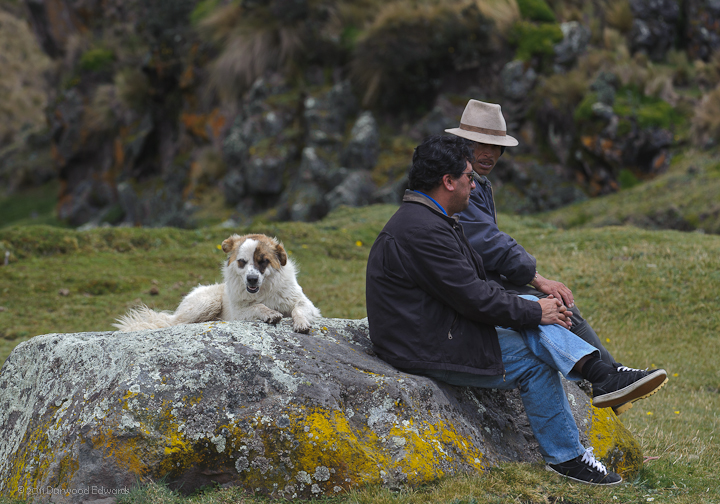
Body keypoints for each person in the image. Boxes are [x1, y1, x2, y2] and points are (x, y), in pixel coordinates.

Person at [365, 135, 668, 485]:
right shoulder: (423, 230)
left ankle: (599, 382)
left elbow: (471, 290)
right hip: (421, 346)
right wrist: (536, 313)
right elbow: (475, 298)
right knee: (532, 351)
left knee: (527, 306)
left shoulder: (431, 218)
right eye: (468, 177)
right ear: (448, 182)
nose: (474, 184)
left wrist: (531, 307)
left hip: (434, 329)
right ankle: (573, 444)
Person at [445, 99, 660, 414]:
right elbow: (487, 242)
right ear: (464, 144)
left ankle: (610, 376)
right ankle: (608, 377)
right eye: (481, 144)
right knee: (552, 307)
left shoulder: (476, 182)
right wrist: (537, 279)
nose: (489, 153)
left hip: (478, 284)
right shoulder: (461, 184)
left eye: (496, 146)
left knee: (560, 306)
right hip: (469, 291)